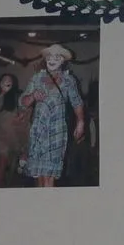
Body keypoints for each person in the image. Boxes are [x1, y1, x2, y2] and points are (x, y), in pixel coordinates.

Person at [19, 44, 85, 187]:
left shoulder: (68, 80)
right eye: (50, 56)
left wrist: (80, 122)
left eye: (57, 57)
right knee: (38, 175)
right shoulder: (36, 78)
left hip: (57, 131)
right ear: (46, 59)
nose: (52, 59)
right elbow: (23, 102)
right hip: (38, 130)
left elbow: (77, 102)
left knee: (49, 176)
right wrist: (33, 96)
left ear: (63, 60)